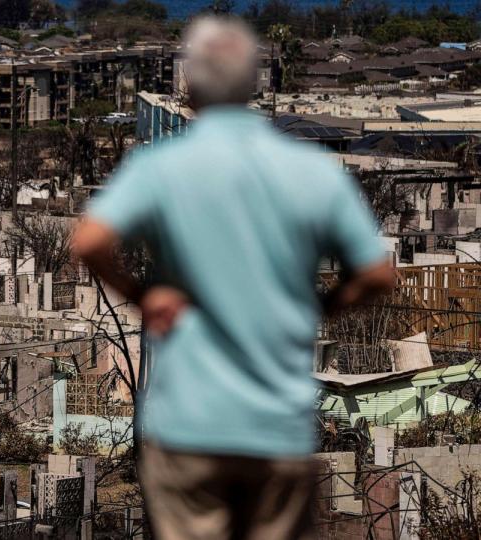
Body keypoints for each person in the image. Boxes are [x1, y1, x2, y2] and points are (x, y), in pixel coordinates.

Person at [70, 16, 395, 540]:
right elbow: (379, 272)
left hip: (189, 430)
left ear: (190, 85)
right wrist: (322, 307)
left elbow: (88, 240)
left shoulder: (162, 166)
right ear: (254, 85)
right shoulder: (310, 170)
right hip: (278, 431)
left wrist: (142, 295)